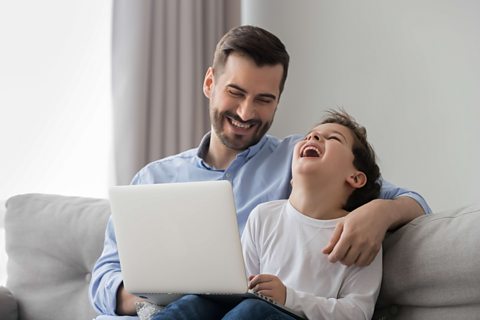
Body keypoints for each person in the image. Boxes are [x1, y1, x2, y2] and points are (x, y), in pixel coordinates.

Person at [89, 25, 430, 319]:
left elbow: (411, 202)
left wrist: (380, 213)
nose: (245, 111)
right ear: (210, 83)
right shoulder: (153, 179)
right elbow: (105, 276)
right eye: (235, 92)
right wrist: (156, 299)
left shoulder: (302, 160)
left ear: (278, 101)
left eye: (264, 99)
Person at [145, 109, 383, 320]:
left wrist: (288, 297)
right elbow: (240, 286)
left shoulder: (360, 234)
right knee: (194, 304)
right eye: (310, 135)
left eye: (333, 138)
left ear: (355, 178)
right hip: (250, 309)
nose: (313, 137)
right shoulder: (264, 216)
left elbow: (357, 312)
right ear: (291, 176)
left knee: (253, 311)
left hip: (285, 315)